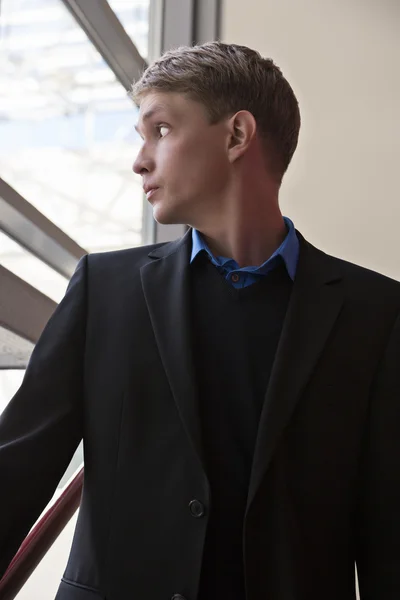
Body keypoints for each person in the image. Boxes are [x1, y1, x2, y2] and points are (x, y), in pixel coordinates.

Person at [0, 41, 400, 600]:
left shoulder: (375, 312)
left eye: (160, 130)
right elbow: (17, 469)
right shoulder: (104, 290)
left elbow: (389, 528)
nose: (139, 160)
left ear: (236, 136)